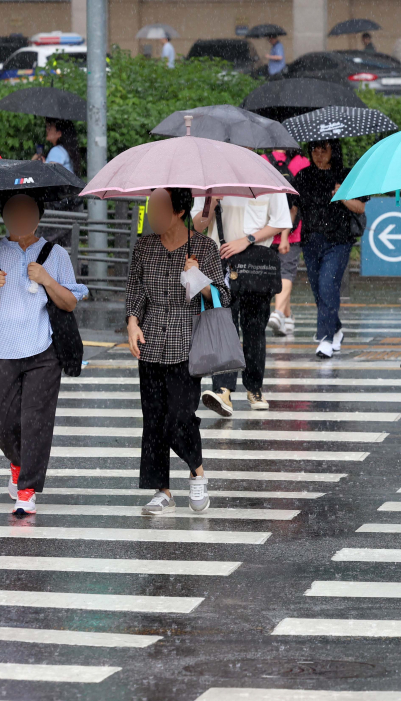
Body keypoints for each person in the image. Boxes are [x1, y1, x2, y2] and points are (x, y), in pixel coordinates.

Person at [0, 194, 89, 515]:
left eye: (27, 211)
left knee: (36, 421)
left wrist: (47, 279)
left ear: (38, 215)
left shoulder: (56, 254)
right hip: (2, 351)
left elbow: (70, 302)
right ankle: (19, 462)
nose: (20, 217)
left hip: (43, 350)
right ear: (4, 216)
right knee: (2, 423)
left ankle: (28, 489)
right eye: (13, 211)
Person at [125, 187, 228, 515]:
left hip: (188, 343)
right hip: (151, 341)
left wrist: (197, 276)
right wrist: (132, 321)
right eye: (150, 206)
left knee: (180, 418)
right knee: (153, 419)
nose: (151, 213)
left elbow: (221, 299)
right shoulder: (144, 245)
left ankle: (196, 472)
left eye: (158, 207)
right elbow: (136, 289)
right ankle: (161, 490)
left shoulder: (203, 246)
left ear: (179, 211)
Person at [191, 192, 291, 415]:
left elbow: (281, 221)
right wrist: (212, 200)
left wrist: (247, 240)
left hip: (256, 262)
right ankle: (222, 389)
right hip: (219, 262)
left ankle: (254, 387)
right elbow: (198, 225)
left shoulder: (266, 180)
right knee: (223, 326)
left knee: (255, 328)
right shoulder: (209, 184)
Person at [292, 139, 365, 359]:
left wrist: (342, 195)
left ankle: (325, 338)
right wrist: (285, 235)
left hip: (338, 241)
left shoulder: (347, 175)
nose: (319, 154)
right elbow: (294, 209)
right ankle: (336, 328)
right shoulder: (303, 177)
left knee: (327, 285)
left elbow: (360, 207)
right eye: (315, 149)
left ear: (333, 150)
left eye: (324, 149)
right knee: (318, 290)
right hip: (311, 241)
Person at [263, 149, 311, 337]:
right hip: (293, 229)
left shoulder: (262, 159)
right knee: (286, 273)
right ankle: (285, 315)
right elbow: (298, 202)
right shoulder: (302, 162)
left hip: (265, 228)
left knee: (280, 274)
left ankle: (279, 314)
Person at [33, 118, 84, 247]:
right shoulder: (67, 151)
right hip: (71, 205)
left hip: (60, 206)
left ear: (59, 133)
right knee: (67, 246)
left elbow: (49, 177)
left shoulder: (56, 152)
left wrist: (35, 164)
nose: (47, 129)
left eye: (50, 127)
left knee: (41, 242)